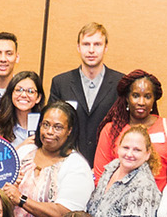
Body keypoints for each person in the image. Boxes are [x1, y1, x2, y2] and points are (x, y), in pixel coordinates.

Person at [4, 102, 92, 217]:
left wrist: (21, 199)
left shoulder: (76, 165)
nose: (49, 132)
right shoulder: (24, 152)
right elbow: (2, 198)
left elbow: (65, 214)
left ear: (69, 131)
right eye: (45, 124)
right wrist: (6, 194)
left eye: (58, 127)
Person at [90, 70, 167, 188]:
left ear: (154, 100)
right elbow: (100, 177)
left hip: (158, 203)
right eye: (135, 96)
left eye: (147, 97)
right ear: (127, 98)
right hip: (117, 202)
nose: (141, 102)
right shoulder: (111, 130)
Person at [48, 22, 121, 166]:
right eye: (86, 44)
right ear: (78, 47)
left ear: (105, 48)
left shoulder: (121, 84)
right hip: (67, 165)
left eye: (97, 44)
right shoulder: (60, 83)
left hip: (109, 166)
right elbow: (52, 127)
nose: (91, 50)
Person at [0, 71, 44, 148]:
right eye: (18, 90)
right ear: (11, 94)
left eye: (30, 91)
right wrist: (21, 148)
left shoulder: (45, 127)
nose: (23, 95)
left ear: (38, 98)